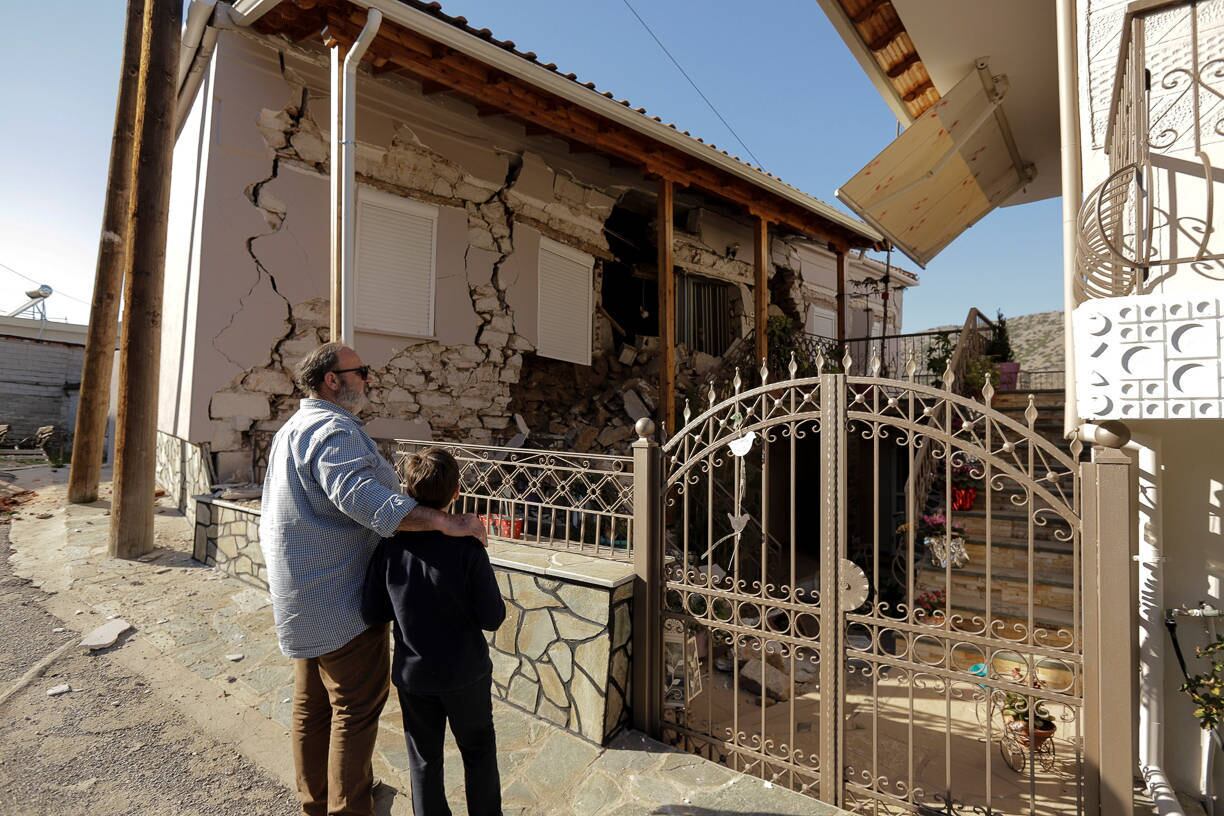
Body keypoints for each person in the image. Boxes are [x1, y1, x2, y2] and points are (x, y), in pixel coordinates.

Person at [259, 342, 487, 816]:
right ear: (331, 380)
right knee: (355, 709)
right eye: (361, 372)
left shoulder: (294, 428)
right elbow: (363, 498)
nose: (368, 379)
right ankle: (349, 809)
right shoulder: (331, 429)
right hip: (338, 599)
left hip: (302, 594)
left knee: (314, 706)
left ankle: (317, 800)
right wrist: (445, 521)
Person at [362, 447, 506, 816]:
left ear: (406, 494)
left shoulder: (389, 550)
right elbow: (493, 617)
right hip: (465, 673)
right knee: (478, 753)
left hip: (415, 676)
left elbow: (373, 610)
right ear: (457, 492)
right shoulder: (468, 550)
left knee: (424, 761)